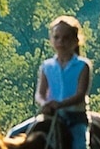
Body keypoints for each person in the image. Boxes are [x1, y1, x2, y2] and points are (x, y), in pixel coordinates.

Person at [33, 16, 92, 149]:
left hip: (75, 118)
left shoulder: (83, 65)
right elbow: (40, 93)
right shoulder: (47, 66)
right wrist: (45, 104)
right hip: (50, 116)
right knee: (13, 134)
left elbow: (80, 95)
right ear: (51, 40)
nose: (61, 42)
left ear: (76, 41)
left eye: (66, 38)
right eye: (57, 37)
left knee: (80, 146)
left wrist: (60, 104)